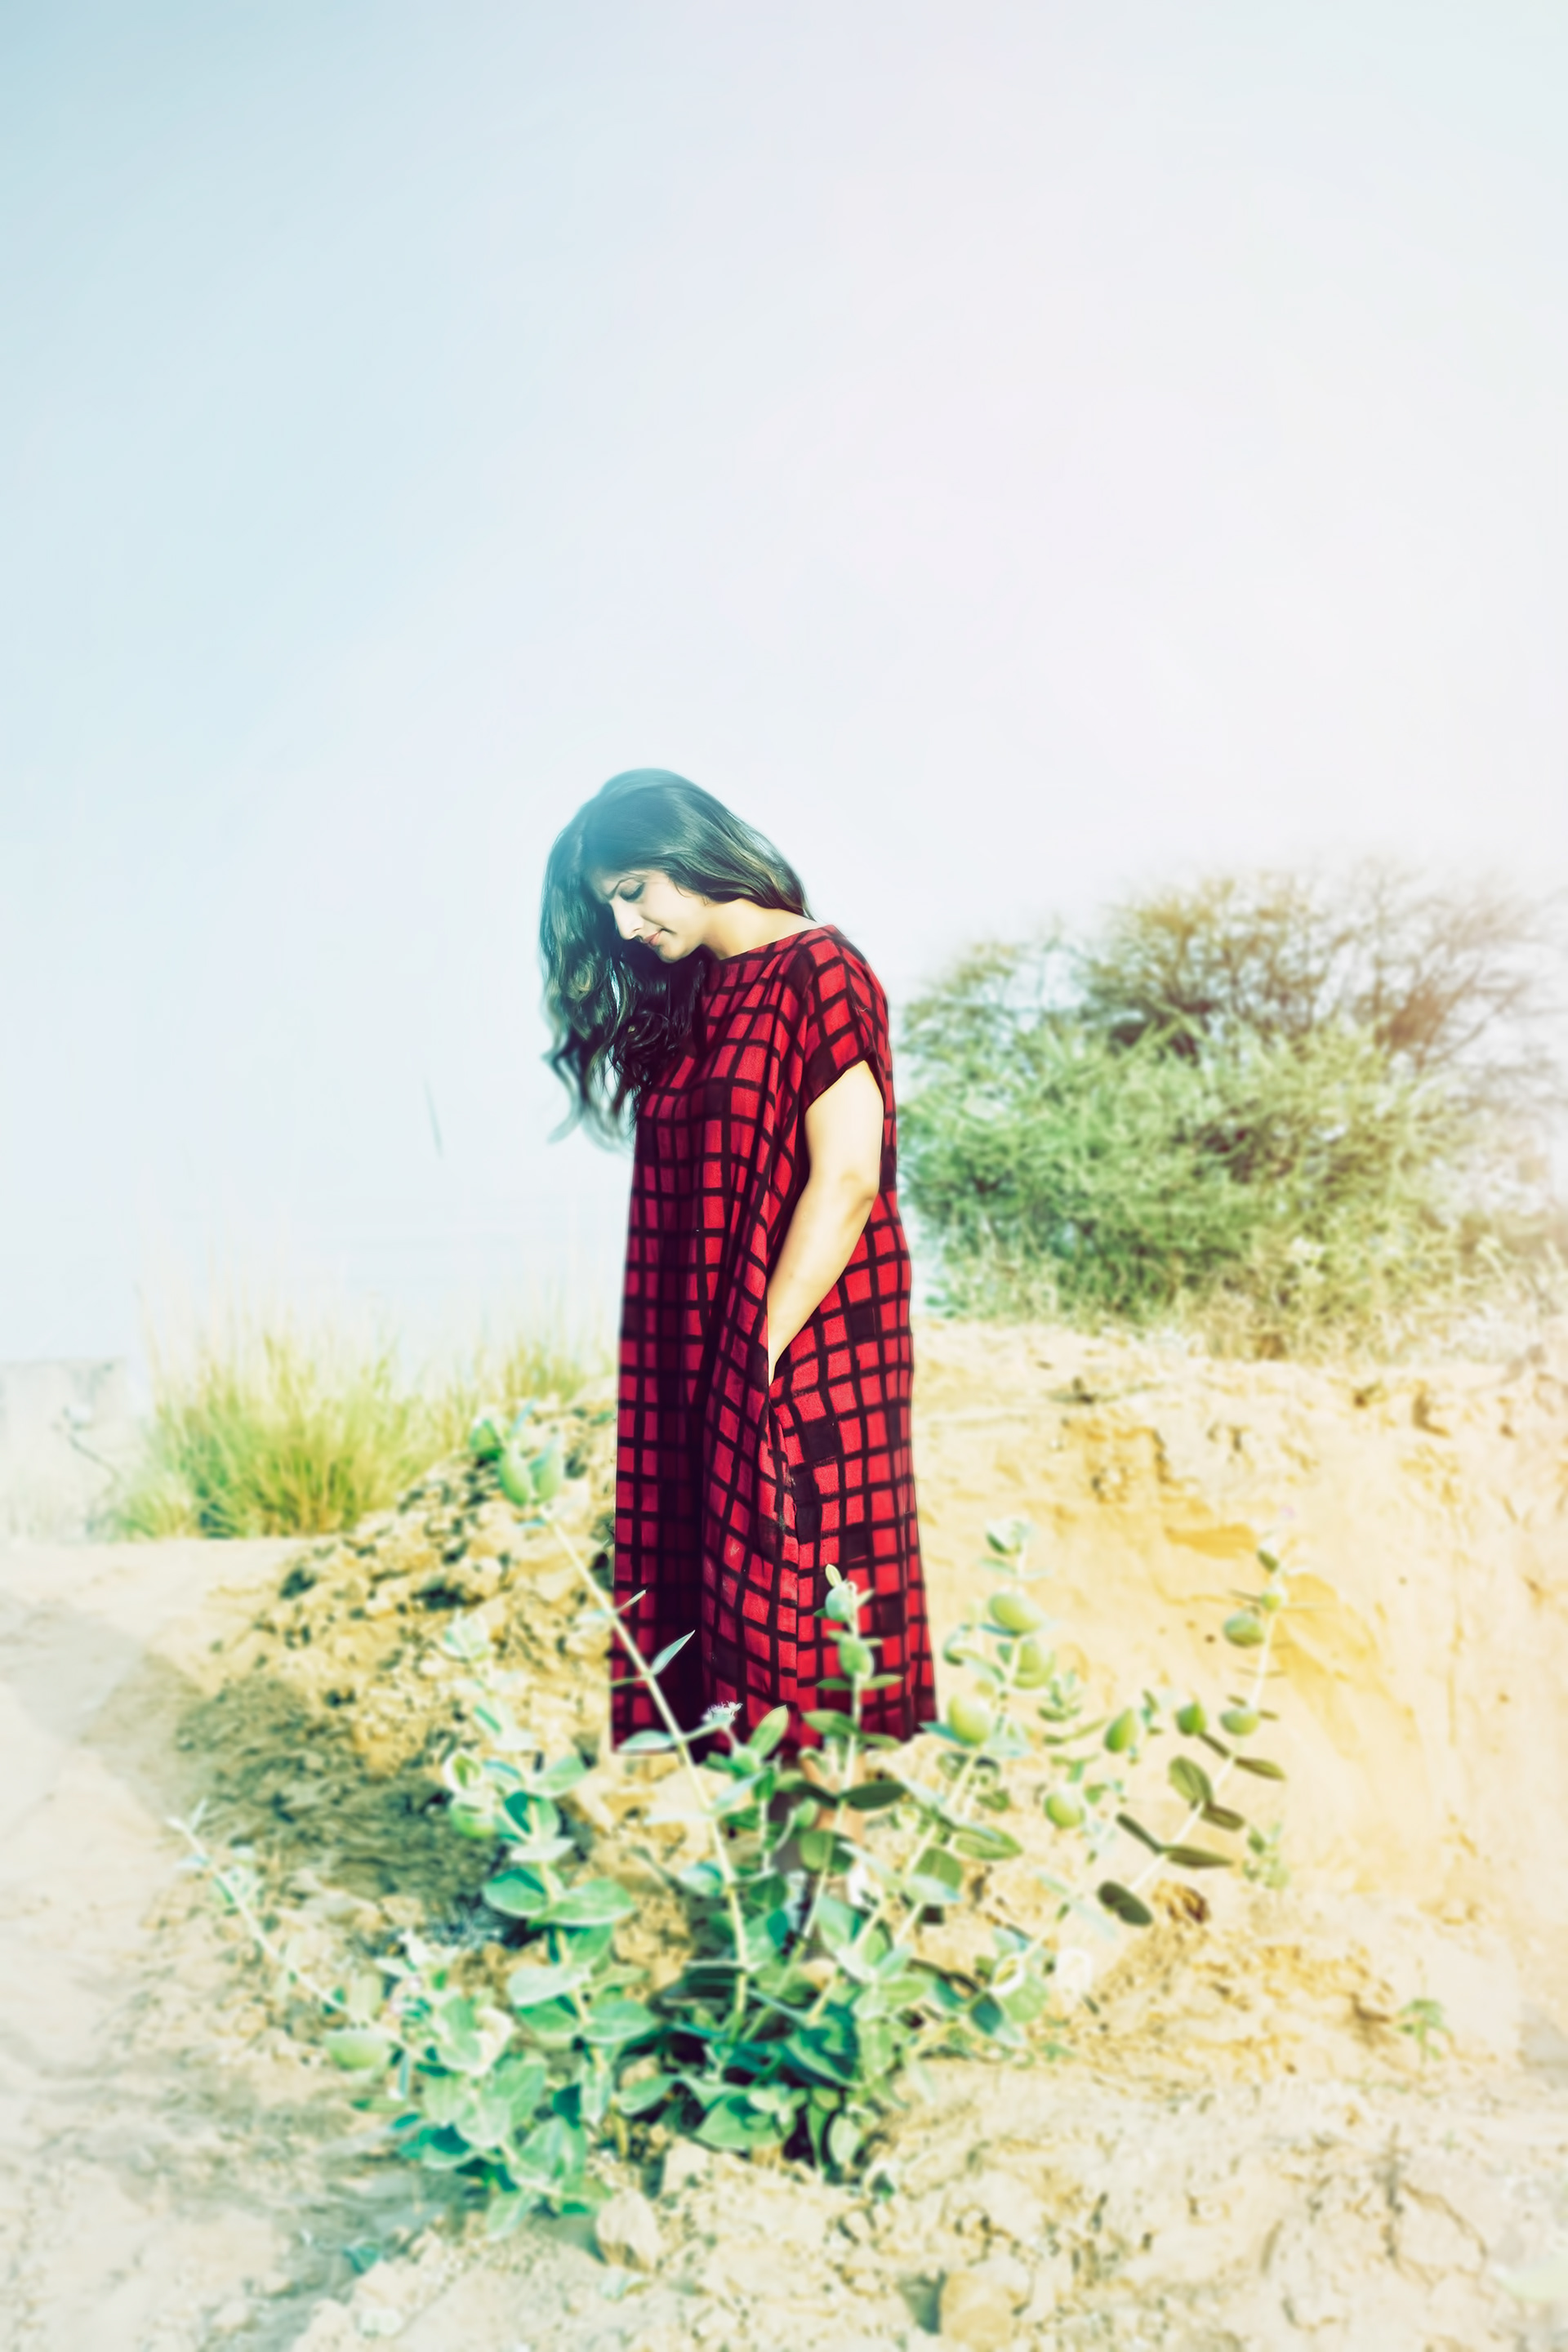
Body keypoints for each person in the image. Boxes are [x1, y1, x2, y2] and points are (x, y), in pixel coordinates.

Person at [541, 769, 934, 1750]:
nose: (625, 925)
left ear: (687, 851)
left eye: (634, 890)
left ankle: (822, 1841)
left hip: (800, 1349)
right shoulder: (691, 999)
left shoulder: (821, 970)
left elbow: (848, 1178)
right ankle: (756, 1838)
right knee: (714, 1625)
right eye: (608, 906)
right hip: (697, 1349)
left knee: (804, 1624)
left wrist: (750, 1351)